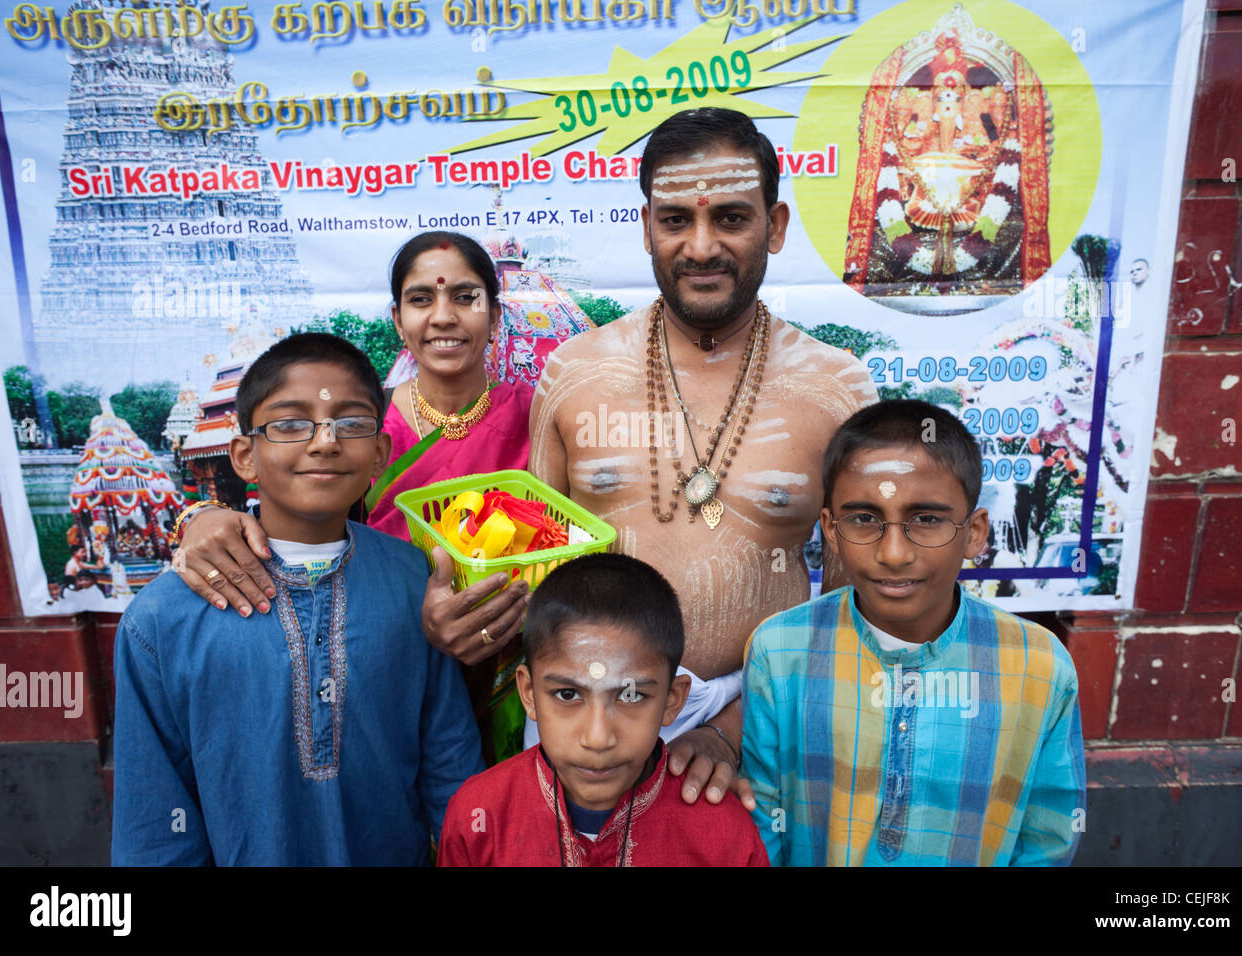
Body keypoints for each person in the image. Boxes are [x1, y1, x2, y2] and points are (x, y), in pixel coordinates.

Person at [516, 108, 878, 805]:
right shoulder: (572, 374)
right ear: (647, 224)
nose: (702, 246)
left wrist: (735, 728)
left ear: (774, 226)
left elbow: (846, 607)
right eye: (676, 219)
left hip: (764, 723)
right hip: (586, 722)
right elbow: (533, 575)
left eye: (732, 220)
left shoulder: (836, 389)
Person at [111, 333, 483, 865]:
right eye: (290, 424)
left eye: (351, 424)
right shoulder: (164, 618)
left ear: (380, 452)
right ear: (244, 454)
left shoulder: (413, 579)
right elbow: (155, 819)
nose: (325, 442)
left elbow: (449, 762)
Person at [169, 232, 533, 759]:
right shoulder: (356, 423)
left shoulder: (539, 413)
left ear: (494, 315)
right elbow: (276, 510)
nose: (444, 317)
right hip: (375, 660)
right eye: (421, 299)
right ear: (396, 319)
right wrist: (201, 518)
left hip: (508, 672)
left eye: (465, 296)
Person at [742, 399, 1086, 866]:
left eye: (926, 519)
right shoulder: (780, 651)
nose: (895, 553)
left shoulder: (1038, 665)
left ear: (974, 533)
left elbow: (1049, 840)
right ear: (831, 530)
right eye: (864, 519)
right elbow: (763, 824)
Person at [437, 553, 769, 866]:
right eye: (568, 694)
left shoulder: (725, 836)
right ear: (528, 692)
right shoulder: (478, 815)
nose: (597, 738)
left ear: (672, 700)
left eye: (630, 696)